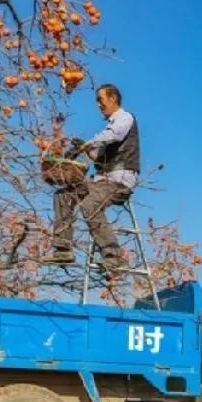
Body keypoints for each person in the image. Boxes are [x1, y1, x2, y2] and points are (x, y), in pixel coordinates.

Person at [45, 83, 140, 274]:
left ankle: (114, 257)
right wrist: (87, 150)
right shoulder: (109, 128)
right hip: (102, 180)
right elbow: (101, 158)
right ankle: (63, 249)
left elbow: (113, 135)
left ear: (113, 99)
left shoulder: (124, 118)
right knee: (63, 195)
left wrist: (86, 145)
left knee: (89, 205)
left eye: (101, 100)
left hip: (119, 181)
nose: (98, 104)